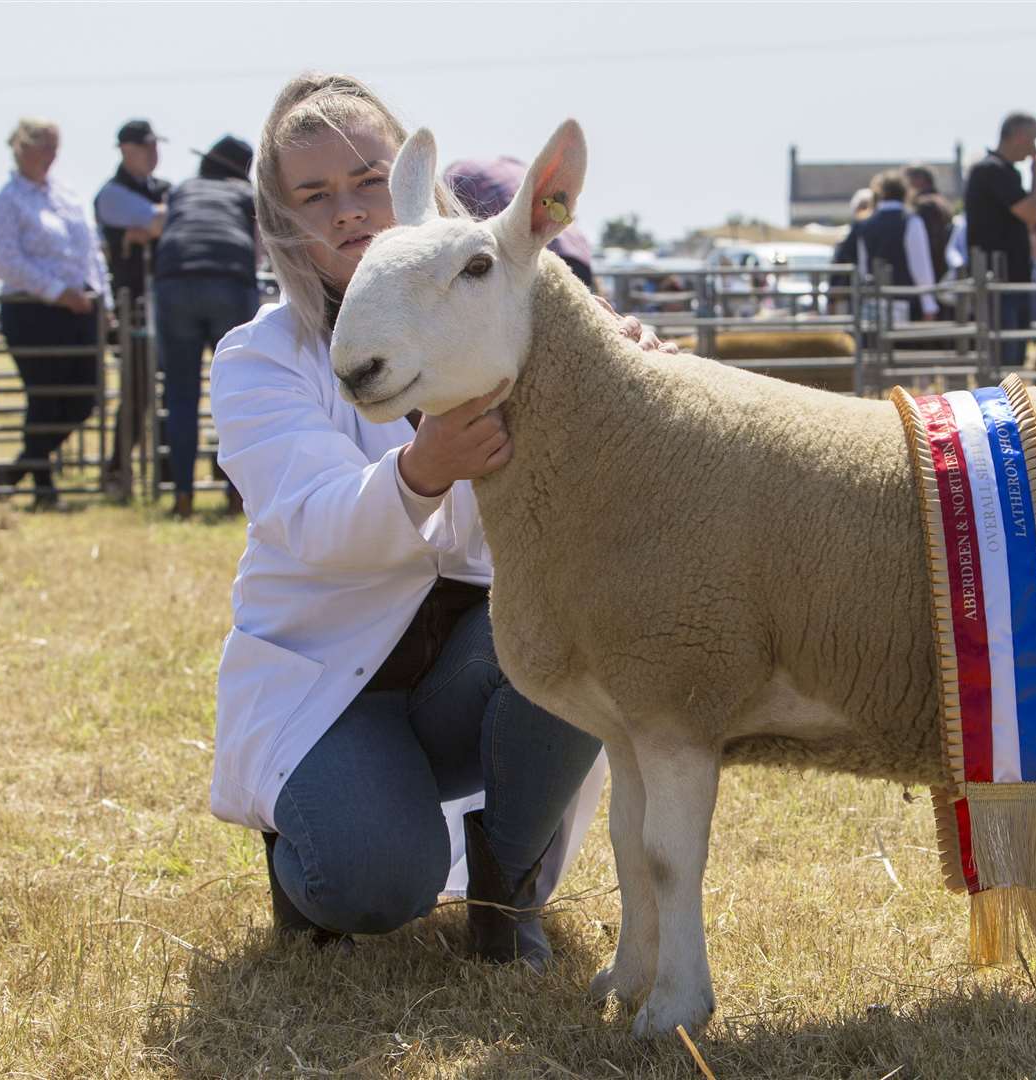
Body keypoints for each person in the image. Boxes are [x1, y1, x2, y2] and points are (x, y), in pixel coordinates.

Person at [209, 72, 671, 966]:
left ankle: (506, 891)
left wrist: (626, 376)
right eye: (314, 195)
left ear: (411, 186)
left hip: (469, 671)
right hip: (330, 687)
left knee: (573, 625)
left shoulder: (511, 324)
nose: (348, 211)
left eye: (368, 181)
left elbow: (604, 489)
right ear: (283, 222)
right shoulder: (256, 360)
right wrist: (422, 472)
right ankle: (315, 850)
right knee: (374, 885)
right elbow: (309, 523)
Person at [0, 118, 111, 510]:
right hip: (33, 311)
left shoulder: (67, 196)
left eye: (55, 148)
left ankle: (16, 470)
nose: (51, 156)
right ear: (22, 147)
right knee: (44, 396)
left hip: (80, 309)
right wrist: (58, 293)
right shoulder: (6, 201)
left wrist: (99, 297)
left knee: (85, 397)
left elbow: (90, 251)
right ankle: (42, 487)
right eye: (45, 147)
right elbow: (8, 262)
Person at [152, 135, 261, 518]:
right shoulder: (242, 193)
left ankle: (182, 497)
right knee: (237, 392)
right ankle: (236, 497)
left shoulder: (183, 190)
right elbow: (258, 245)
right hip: (229, 282)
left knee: (180, 394)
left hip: (174, 281)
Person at [96, 120, 172, 496]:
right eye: (146, 147)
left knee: (168, 390)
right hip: (136, 310)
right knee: (137, 393)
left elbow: (163, 222)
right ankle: (118, 470)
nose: (154, 153)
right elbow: (164, 220)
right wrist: (158, 221)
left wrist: (155, 224)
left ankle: (165, 468)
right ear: (126, 149)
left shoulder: (159, 190)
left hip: (163, 306)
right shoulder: (112, 194)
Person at [964, 112, 1036, 361]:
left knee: (1013, 354)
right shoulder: (993, 170)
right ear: (1020, 137)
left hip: (1009, 274)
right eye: (1033, 139)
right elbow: (1031, 214)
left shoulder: (1001, 170)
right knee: (1005, 357)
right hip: (1000, 278)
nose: (1034, 147)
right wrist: (1035, 175)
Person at [444, 156, 595, 288]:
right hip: (577, 253)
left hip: (531, 260)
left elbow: (454, 237)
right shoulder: (513, 166)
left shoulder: (453, 179)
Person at [839, 170, 939, 324]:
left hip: (873, 300)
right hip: (906, 299)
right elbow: (921, 267)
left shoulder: (864, 224)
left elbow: (864, 268)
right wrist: (929, 305)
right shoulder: (911, 221)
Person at [901, 164, 953, 287]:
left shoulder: (926, 205)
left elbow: (929, 244)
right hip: (941, 272)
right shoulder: (939, 201)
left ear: (920, 180)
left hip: (932, 275)